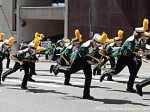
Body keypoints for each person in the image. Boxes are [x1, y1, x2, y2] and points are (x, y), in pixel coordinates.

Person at [55, 33, 108, 99]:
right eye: (97, 44)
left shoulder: (94, 46)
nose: (97, 45)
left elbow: (94, 54)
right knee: (70, 71)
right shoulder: (86, 45)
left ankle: (86, 94)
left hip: (86, 61)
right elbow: (80, 54)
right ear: (94, 41)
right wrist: (89, 60)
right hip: (79, 59)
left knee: (88, 77)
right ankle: (59, 68)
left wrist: (92, 61)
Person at [100, 27, 145, 93]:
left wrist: (138, 53)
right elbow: (129, 50)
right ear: (139, 34)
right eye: (142, 34)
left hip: (130, 59)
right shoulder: (131, 40)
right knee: (116, 71)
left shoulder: (137, 39)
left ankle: (129, 87)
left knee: (133, 73)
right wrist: (135, 56)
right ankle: (106, 73)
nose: (143, 35)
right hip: (123, 58)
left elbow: (136, 49)